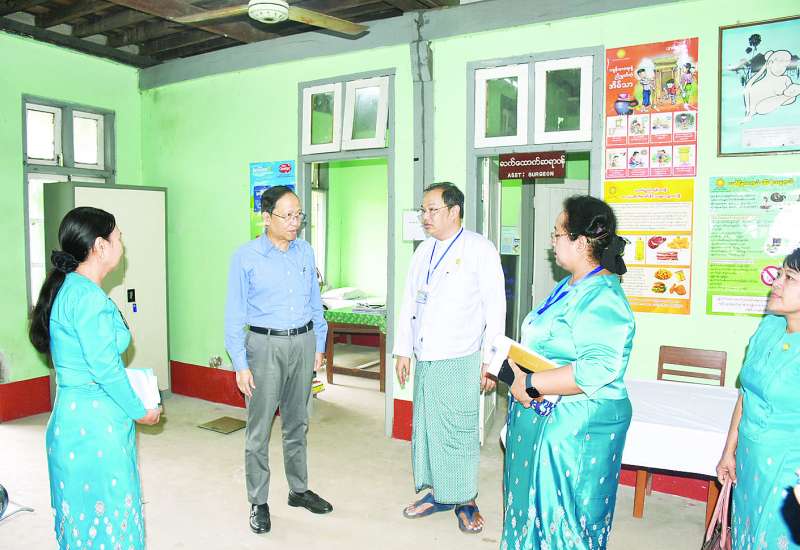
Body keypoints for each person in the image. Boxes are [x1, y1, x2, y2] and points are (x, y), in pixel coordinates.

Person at [501, 195, 634, 550]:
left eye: (557, 234)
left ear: (580, 241)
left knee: (562, 519)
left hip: (575, 424)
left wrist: (530, 383)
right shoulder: (571, 284)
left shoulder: (603, 297)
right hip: (544, 414)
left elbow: (598, 368)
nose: (552, 242)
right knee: (530, 505)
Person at [29, 207, 161, 550]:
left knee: (85, 522)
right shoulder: (88, 299)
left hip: (72, 420)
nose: (122, 245)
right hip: (94, 427)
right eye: (118, 238)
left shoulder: (70, 288)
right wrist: (140, 411)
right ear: (100, 247)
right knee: (111, 519)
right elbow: (106, 370)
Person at [394, 182, 505, 534]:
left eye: (432, 210)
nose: (425, 217)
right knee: (428, 428)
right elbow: (409, 302)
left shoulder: (479, 249)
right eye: (423, 210)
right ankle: (439, 493)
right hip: (426, 355)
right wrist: (402, 349)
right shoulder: (423, 251)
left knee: (458, 430)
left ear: (454, 211)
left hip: (460, 356)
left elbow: (495, 307)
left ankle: (465, 499)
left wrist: (491, 361)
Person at [225, 185, 331, 535]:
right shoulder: (246, 257)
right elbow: (233, 315)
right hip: (264, 346)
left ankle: (298, 490)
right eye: (287, 216)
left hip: (303, 342)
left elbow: (315, 303)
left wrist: (319, 344)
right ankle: (258, 500)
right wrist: (240, 364)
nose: (295, 222)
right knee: (259, 430)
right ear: (266, 217)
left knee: (297, 423)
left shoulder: (305, 252)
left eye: (299, 215)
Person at [716, 248, 800, 550]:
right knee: (745, 534)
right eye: (779, 274)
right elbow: (746, 393)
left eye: (789, 277)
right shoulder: (769, 325)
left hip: (788, 471)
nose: (776, 282)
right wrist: (729, 450)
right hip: (750, 460)